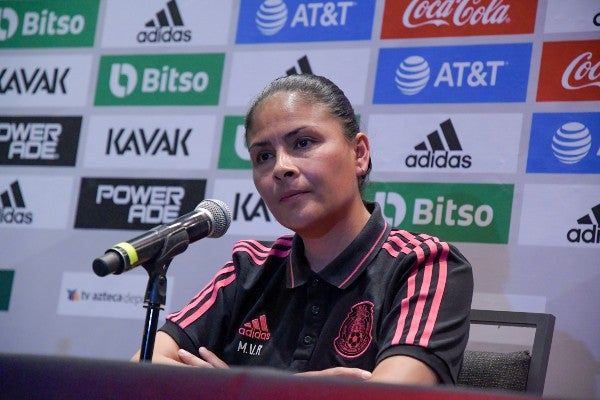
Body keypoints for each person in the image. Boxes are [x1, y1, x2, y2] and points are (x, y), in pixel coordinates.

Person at [132, 74, 473, 385]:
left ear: (359, 154)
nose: (281, 167)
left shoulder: (425, 263)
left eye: (303, 143)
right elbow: (144, 365)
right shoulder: (249, 266)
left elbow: (387, 396)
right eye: (263, 156)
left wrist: (233, 387)